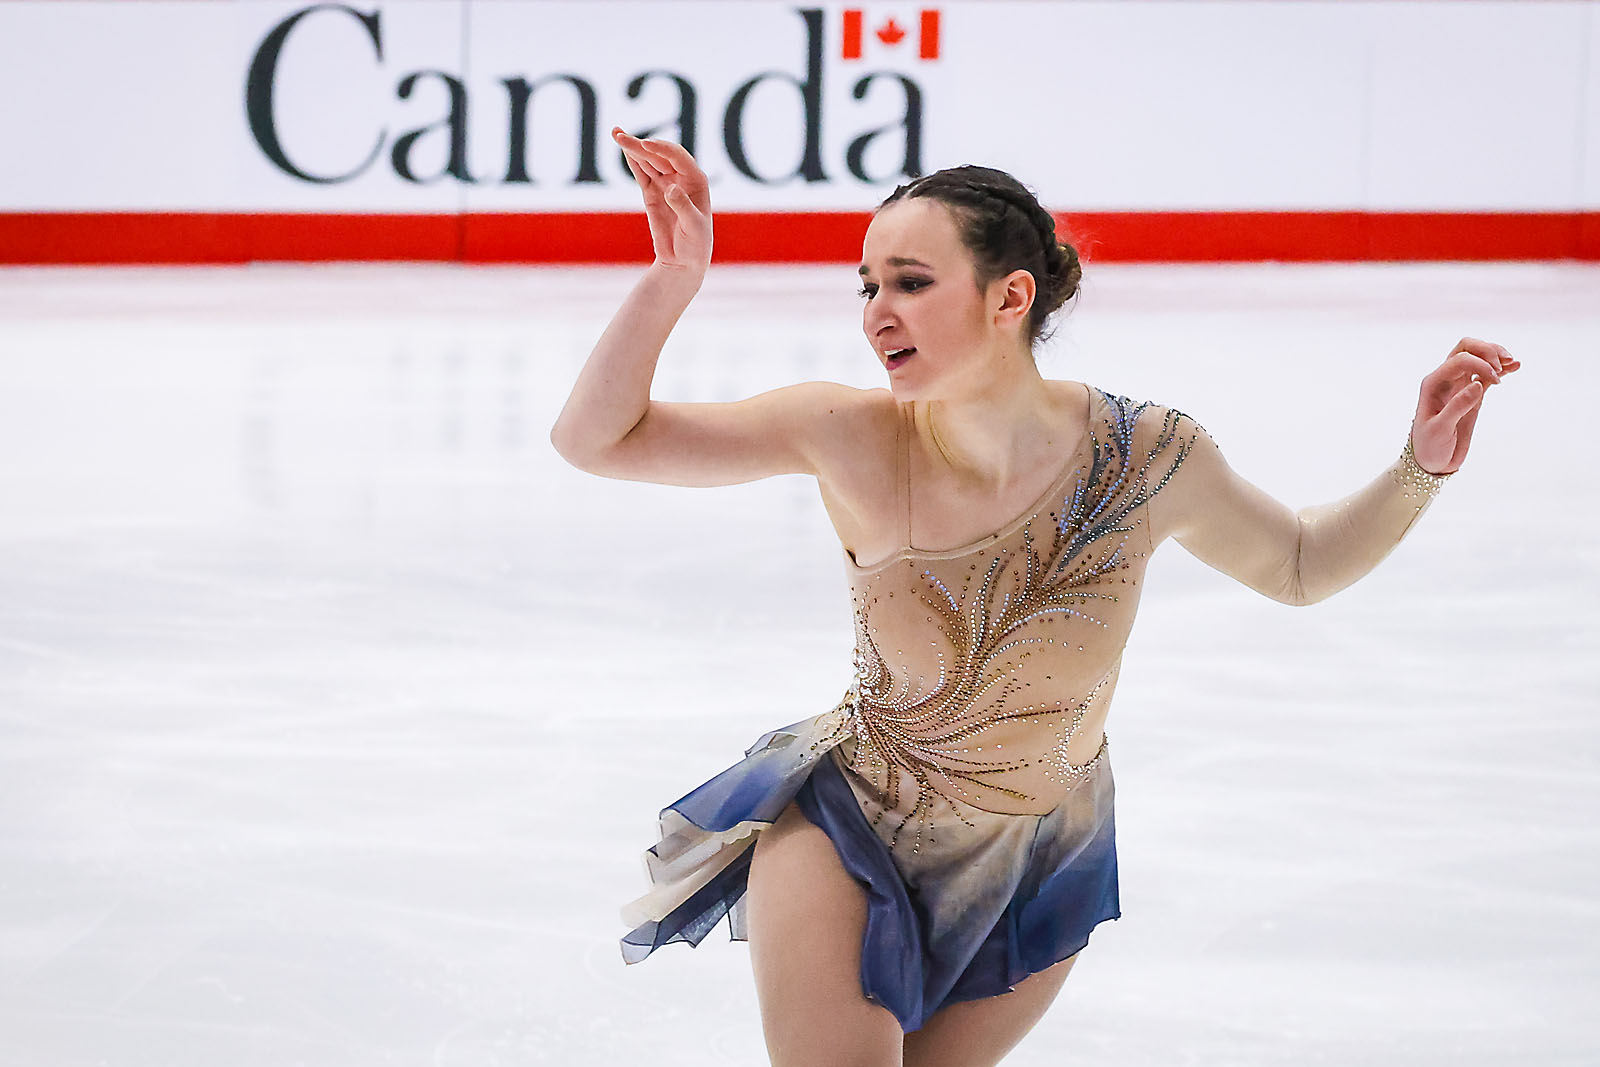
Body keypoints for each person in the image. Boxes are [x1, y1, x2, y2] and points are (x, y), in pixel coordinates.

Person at [549, 128, 1521, 1067]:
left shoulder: (1146, 456)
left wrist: (1417, 468)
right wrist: (671, 278)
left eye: (911, 282)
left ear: (1009, 294)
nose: (875, 311)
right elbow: (598, 440)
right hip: (851, 822)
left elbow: (1299, 566)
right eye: (868, 284)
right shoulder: (845, 435)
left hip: (1040, 858)